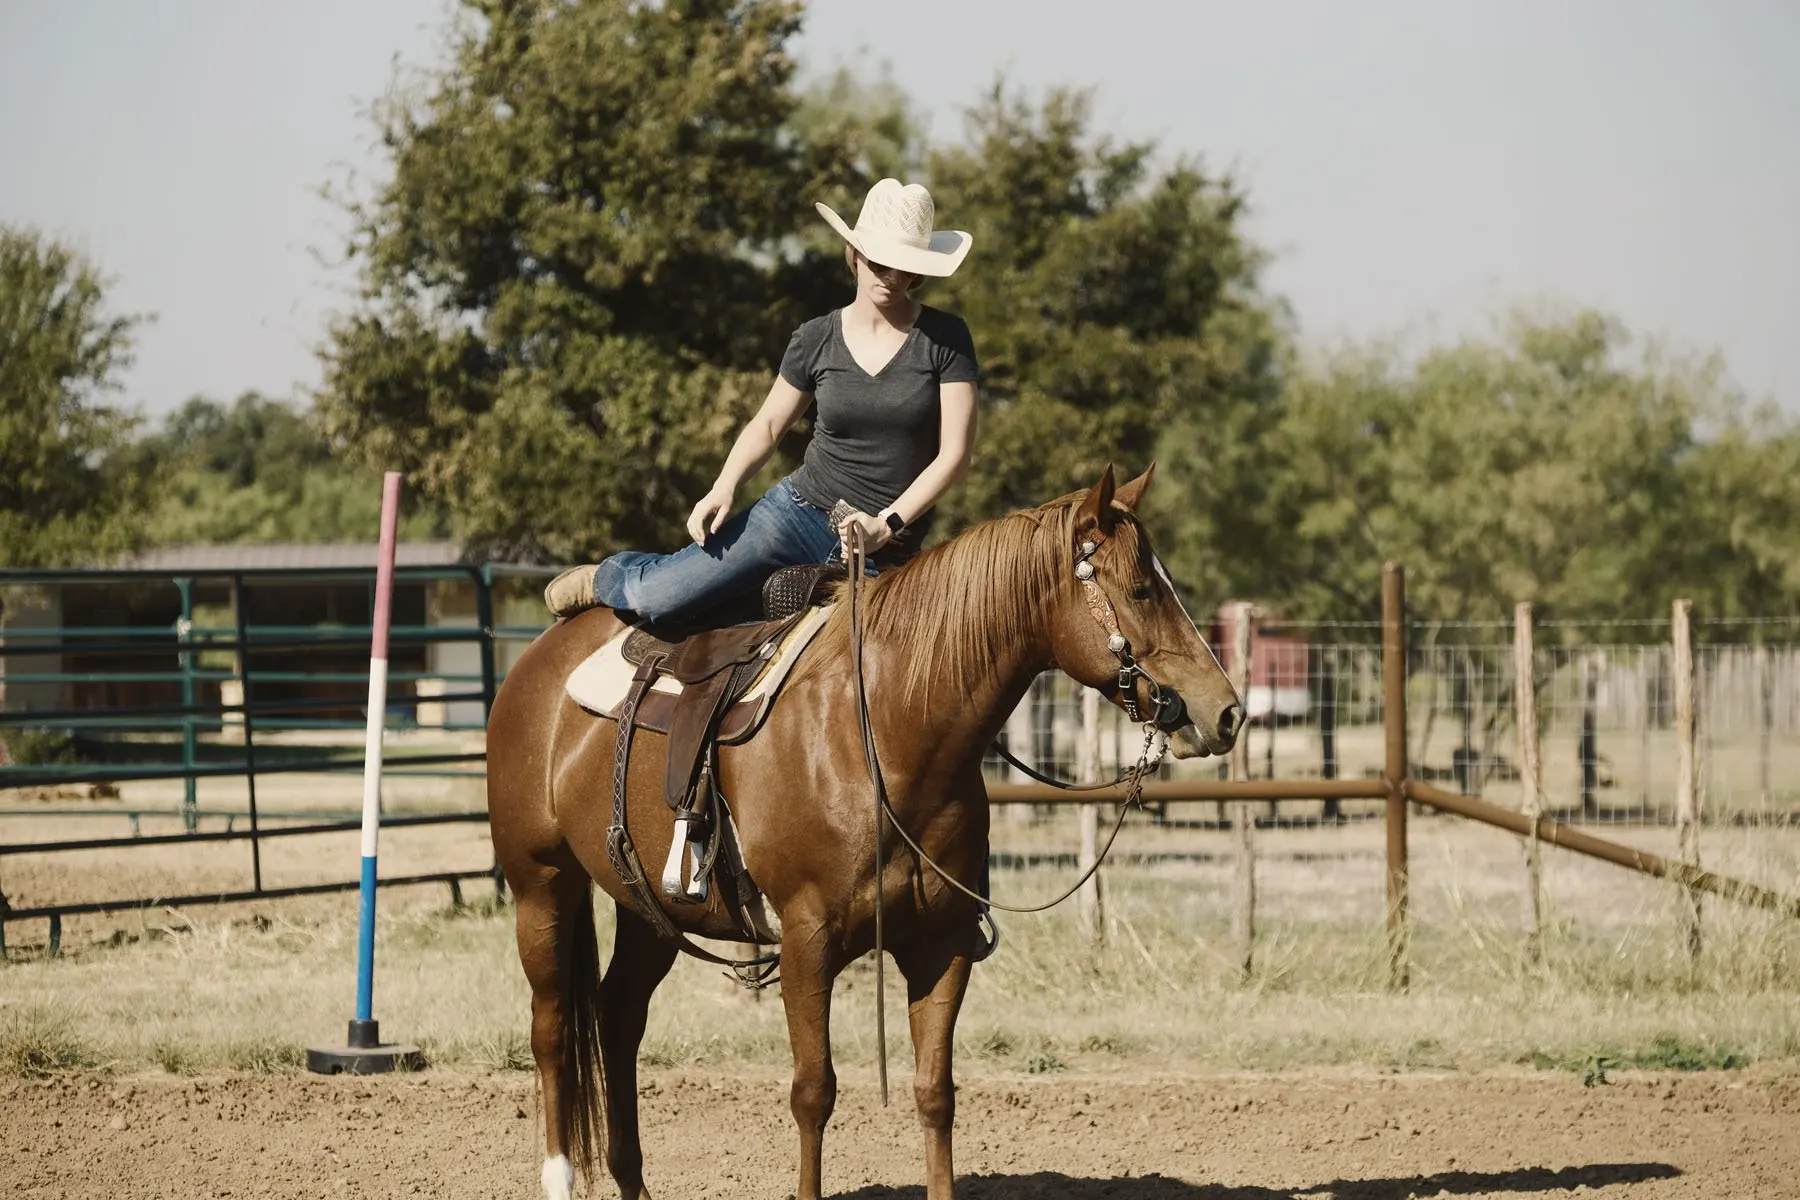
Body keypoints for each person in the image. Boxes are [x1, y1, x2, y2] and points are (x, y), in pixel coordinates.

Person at [543, 178, 980, 624]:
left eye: (904, 267)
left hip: (888, 545)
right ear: (855, 255)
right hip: (798, 513)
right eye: (879, 262)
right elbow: (770, 423)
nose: (891, 277)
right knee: (660, 600)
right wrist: (724, 485)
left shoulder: (945, 339)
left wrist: (886, 524)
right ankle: (608, 576)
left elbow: (955, 455)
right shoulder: (815, 338)